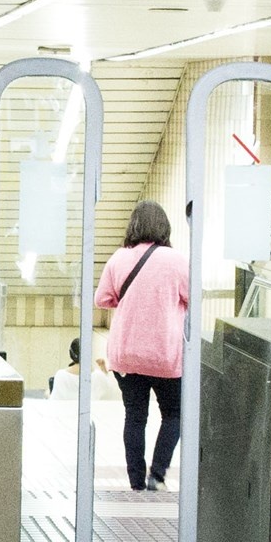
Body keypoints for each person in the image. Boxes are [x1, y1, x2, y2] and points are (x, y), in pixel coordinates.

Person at [94, 201, 191, 493]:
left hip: (127, 355)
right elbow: (193, 298)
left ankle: (136, 482)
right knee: (174, 414)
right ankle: (157, 475)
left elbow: (102, 299)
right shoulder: (177, 261)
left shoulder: (119, 258)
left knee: (135, 417)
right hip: (164, 355)